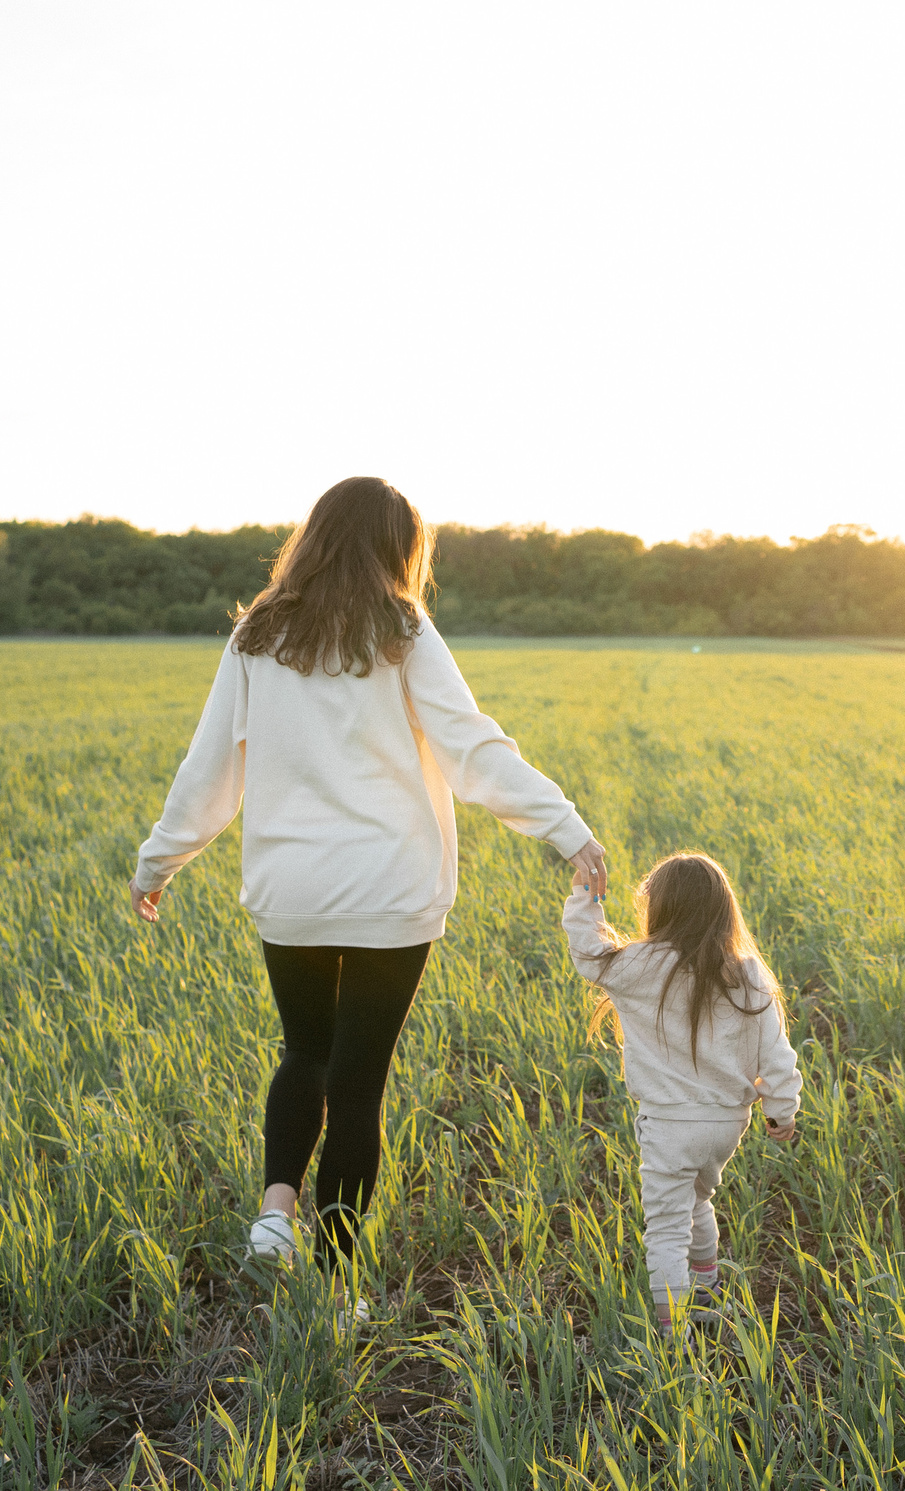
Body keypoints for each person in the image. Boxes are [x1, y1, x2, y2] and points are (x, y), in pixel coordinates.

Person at [130, 475, 606, 1278]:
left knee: (304, 1052)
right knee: (359, 1082)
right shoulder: (402, 627)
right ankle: (339, 1278)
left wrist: (158, 860)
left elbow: (210, 765)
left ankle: (276, 1218)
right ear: (398, 547)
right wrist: (565, 827)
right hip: (390, 889)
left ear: (312, 538)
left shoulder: (257, 633)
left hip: (294, 892)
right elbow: (471, 746)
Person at [561, 851, 801, 1328]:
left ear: (659, 908)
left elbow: (588, 950)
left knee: (667, 1227)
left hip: (670, 1123)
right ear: (722, 909)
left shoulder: (639, 965)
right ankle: (708, 1294)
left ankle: (673, 1336)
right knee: (697, 1201)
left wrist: (586, 893)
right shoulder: (748, 972)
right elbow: (777, 1053)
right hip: (726, 1125)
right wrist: (783, 1112)